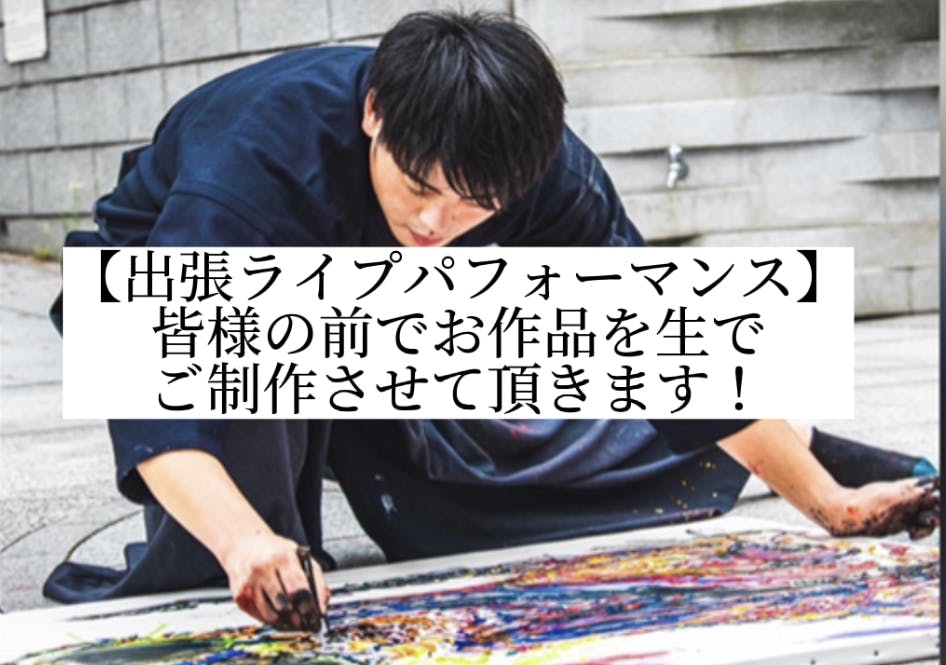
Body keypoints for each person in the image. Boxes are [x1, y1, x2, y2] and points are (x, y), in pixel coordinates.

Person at [47, 11, 938, 631]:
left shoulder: (550, 177)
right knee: (257, 572)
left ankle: (808, 444)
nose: (436, 223)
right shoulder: (256, 166)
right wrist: (246, 541)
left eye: (473, 206)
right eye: (419, 187)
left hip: (382, 298)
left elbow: (673, 354)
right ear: (373, 112)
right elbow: (157, 383)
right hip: (179, 288)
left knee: (491, 470)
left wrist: (827, 502)